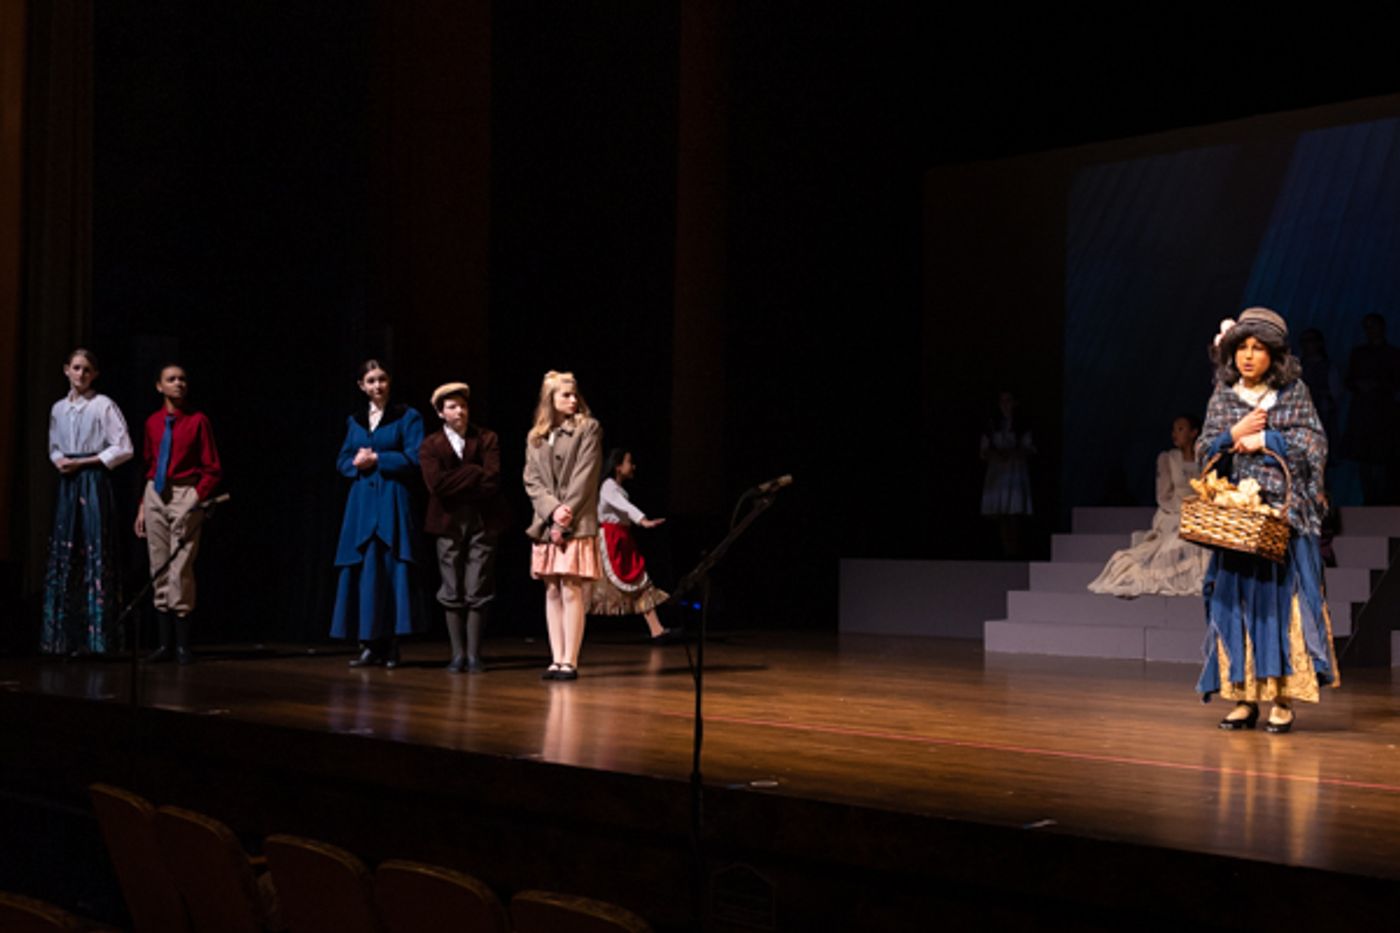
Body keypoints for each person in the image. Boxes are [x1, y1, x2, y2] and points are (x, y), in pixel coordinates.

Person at [1195, 308, 1338, 733]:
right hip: (1238, 521)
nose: (1248, 356)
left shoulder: (1292, 393)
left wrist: (1267, 439)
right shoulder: (1224, 396)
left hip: (1281, 520)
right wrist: (1233, 434)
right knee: (1236, 604)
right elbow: (1204, 450)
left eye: (1258, 348)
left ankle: (1282, 697)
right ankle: (1242, 697)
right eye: (1242, 347)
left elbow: (1314, 444)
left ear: (1274, 355)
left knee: (1280, 607)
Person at [331, 359, 425, 668]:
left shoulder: (407, 416)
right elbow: (342, 460)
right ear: (362, 386)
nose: (377, 385)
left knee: (391, 568)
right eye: (371, 381)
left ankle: (392, 644)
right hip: (361, 504)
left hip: (392, 499)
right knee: (365, 571)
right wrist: (355, 463)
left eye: (382, 379)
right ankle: (369, 643)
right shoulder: (355, 421)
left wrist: (379, 459)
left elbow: (415, 457)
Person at [40, 348, 134, 656]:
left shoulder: (103, 405)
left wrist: (85, 461)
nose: (81, 374)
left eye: (87, 370)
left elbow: (124, 447)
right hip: (69, 481)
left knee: (94, 544)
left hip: (92, 479)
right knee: (66, 547)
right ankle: (62, 637)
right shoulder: (58, 408)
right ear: (66, 369)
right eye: (77, 368)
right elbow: (54, 445)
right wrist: (60, 461)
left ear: (95, 375)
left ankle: (98, 639)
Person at [419, 381, 510, 673]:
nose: (459, 411)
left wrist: (460, 480)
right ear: (441, 413)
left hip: (483, 519)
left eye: (463, 406)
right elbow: (436, 485)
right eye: (452, 407)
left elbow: (492, 480)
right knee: (451, 586)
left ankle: (473, 655)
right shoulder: (431, 444)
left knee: (477, 584)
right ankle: (457, 654)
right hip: (447, 522)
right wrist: (472, 472)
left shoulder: (486, 438)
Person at [135, 363, 222, 664]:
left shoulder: (198, 421)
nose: (178, 384)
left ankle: (183, 644)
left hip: (185, 492)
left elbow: (212, 468)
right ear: (159, 386)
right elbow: (149, 464)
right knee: (158, 564)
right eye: (171, 379)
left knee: (180, 566)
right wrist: (143, 505)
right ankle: (164, 644)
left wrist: (196, 497)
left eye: (182, 379)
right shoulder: (152, 422)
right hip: (156, 493)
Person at [522, 371, 603, 681]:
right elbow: (532, 479)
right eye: (565, 395)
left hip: (576, 522)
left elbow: (585, 475)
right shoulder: (536, 437)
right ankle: (556, 658)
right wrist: (552, 510)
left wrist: (565, 514)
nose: (573, 400)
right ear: (550, 400)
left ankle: (570, 659)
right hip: (546, 523)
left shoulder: (588, 428)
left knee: (571, 589)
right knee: (552, 590)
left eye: (574, 394)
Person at [1088, 415, 1210, 597]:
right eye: (1174, 429)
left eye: (1180, 429)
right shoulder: (1168, 458)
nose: (1174, 434)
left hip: (1199, 511)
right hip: (1173, 511)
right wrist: (1183, 511)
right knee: (1178, 533)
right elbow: (1164, 496)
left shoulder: (1205, 460)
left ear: (1194, 433)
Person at [589, 448, 677, 643]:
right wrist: (642, 520)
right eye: (629, 462)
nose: (633, 466)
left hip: (622, 538)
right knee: (592, 588)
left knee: (640, 581)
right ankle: (571, 630)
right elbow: (624, 506)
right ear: (618, 467)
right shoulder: (608, 486)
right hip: (611, 539)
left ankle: (656, 630)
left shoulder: (617, 488)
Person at [980, 390, 1034, 557]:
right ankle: (1006, 551)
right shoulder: (992, 425)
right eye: (1002, 401)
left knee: (1014, 511)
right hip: (998, 472)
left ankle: (1014, 551)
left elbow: (1029, 448)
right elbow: (984, 449)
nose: (1005, 405)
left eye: (1008, 400)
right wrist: (996, 454)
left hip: (1014, 472)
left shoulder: (1021, 424)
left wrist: (1013, 453)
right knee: (1002, 513)